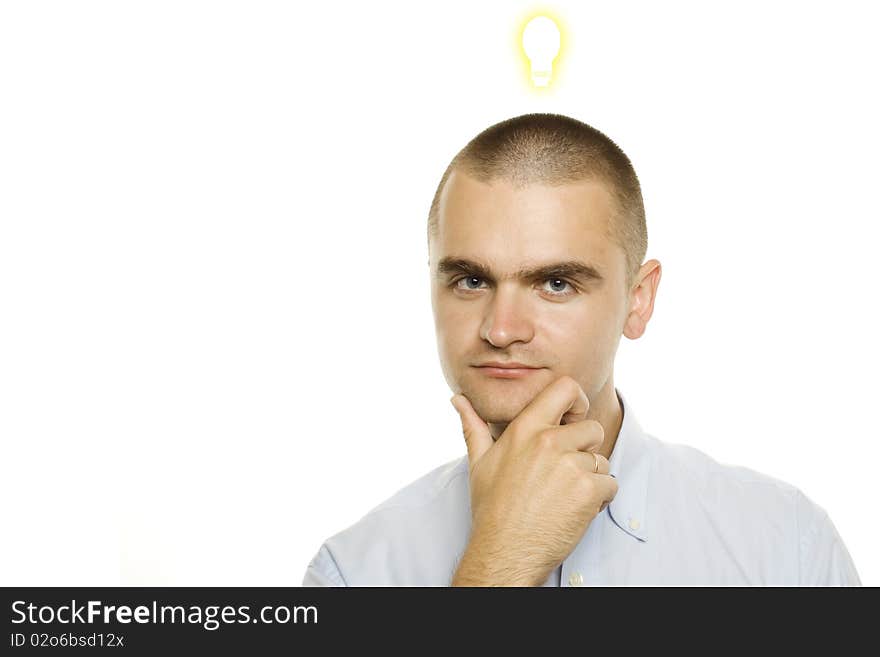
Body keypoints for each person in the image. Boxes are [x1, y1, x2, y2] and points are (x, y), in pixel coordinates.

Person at [301, 113, 861, 586]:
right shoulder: (354, 573)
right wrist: (496, 567)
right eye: (471, 280)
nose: (501, 330)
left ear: (638, 301)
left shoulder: (787, 549)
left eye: (556, 283)